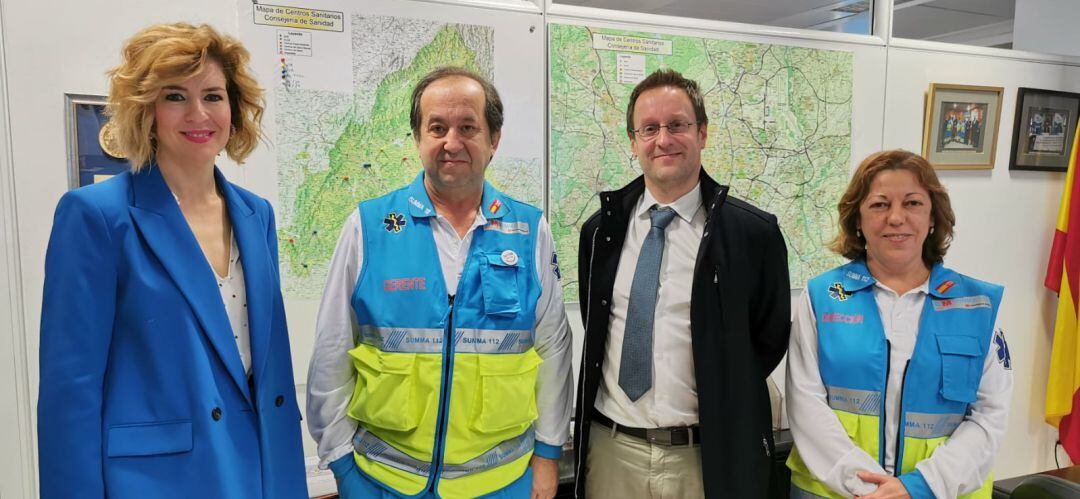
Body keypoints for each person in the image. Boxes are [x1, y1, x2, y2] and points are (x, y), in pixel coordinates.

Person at [37, 23, 307, 498]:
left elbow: (262, 370)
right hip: (158, 481)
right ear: (147, 109)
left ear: (234, 108)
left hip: (259, 470)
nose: (199, 113)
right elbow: (70, 394)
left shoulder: (255, 214)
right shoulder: (97, 217)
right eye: (176, 96)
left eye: (214, 95)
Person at [306, 66, 573, 499]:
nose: (452, 142)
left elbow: (553, 348)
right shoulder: (368, 226)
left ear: (494, 139)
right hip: (381, 481)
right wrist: (339, 461)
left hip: (501, 480)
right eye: (437, 127)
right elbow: (332, 347)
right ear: (418, 139)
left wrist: (547, 455)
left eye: (468, 127)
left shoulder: (530, 229)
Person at [574, 68, 792, 498]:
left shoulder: (753, 234)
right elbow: (595, 322)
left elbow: (767, 341)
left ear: (703, 133)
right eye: (649, 129)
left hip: (704, 458)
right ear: (633, 141)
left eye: (677, 125)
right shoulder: (601, 232)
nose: (663, 139)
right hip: (613, 452)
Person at [785, 149, 1012, 499]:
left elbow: (989, 416)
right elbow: (805, 405)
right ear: (857, 219)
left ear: (933, 216)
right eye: (879, 204)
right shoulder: (822, 297)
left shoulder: (978, 305)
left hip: (940, 492)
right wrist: (870, 488)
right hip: (834, 492)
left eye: (912, 203)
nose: (896, 218)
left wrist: (917, 488)